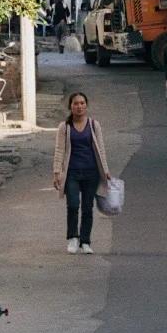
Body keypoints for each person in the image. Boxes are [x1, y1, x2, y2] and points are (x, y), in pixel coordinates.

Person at [52, 91, 111, 254]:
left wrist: (105, 170)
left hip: (91, 172)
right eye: (76, 103)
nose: (79, 106)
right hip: (72, 173)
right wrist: (57, 172)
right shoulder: (65, 127)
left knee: (87, 207)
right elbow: (59, 150)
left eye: (82, 103)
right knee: (72, 205)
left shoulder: (93, 125)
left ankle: (85, 241)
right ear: (70, 106)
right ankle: (72, 238)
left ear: (87, 105)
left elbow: (101, 149)